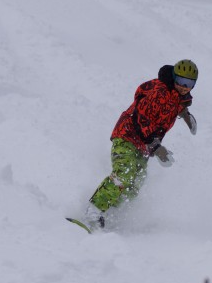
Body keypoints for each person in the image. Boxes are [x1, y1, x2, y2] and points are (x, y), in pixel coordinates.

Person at [83, 59, 199, 231]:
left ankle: (111, 214)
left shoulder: (178, 97)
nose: (184, 86)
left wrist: (184, 113)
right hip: (127, 136)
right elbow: (140, 120)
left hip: (143, 146)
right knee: (124, 173)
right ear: (174, 77)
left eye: (189, 84)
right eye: (181, 81)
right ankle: (95, 211)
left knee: (134, 185)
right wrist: (156, 146)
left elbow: (174, 104)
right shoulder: (158, 92)